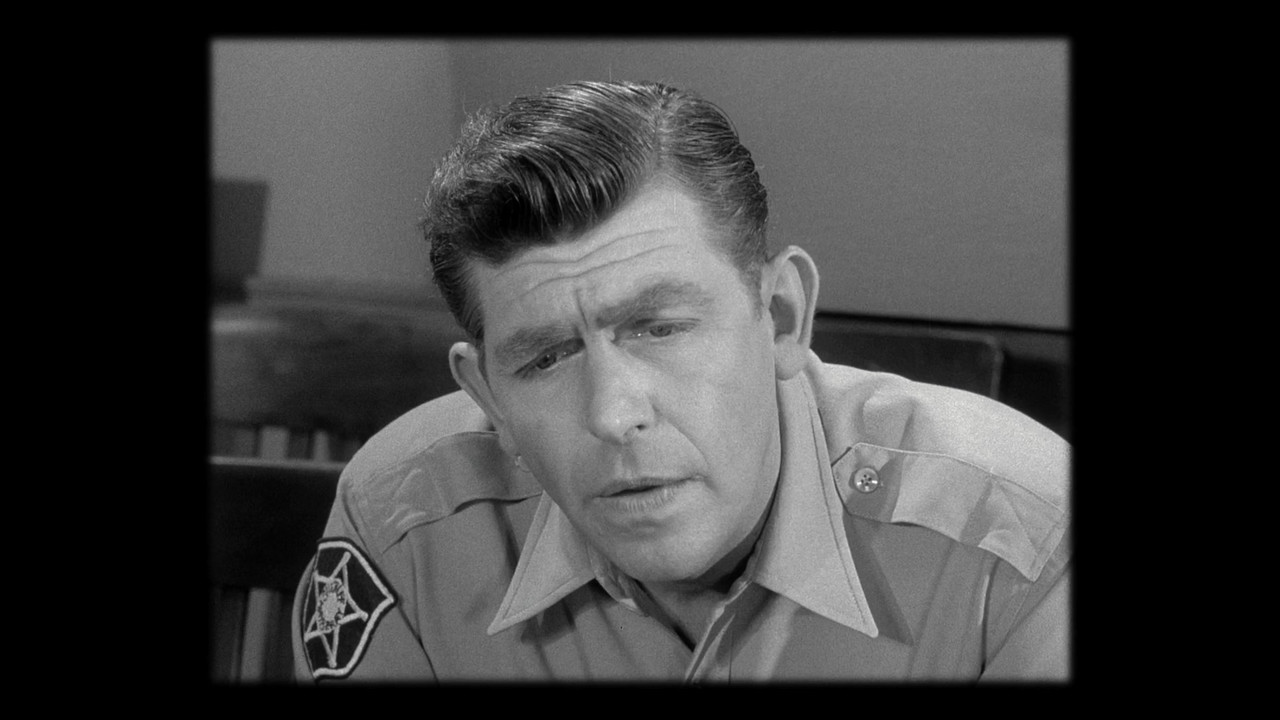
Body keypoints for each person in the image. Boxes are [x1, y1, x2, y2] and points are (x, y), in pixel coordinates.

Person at [292, 80, 1070, 683]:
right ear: (488, 395)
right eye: (545, 358)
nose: (613, 413)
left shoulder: (1021, 540)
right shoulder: (405, 520)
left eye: (658, 328)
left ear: (782, 317)